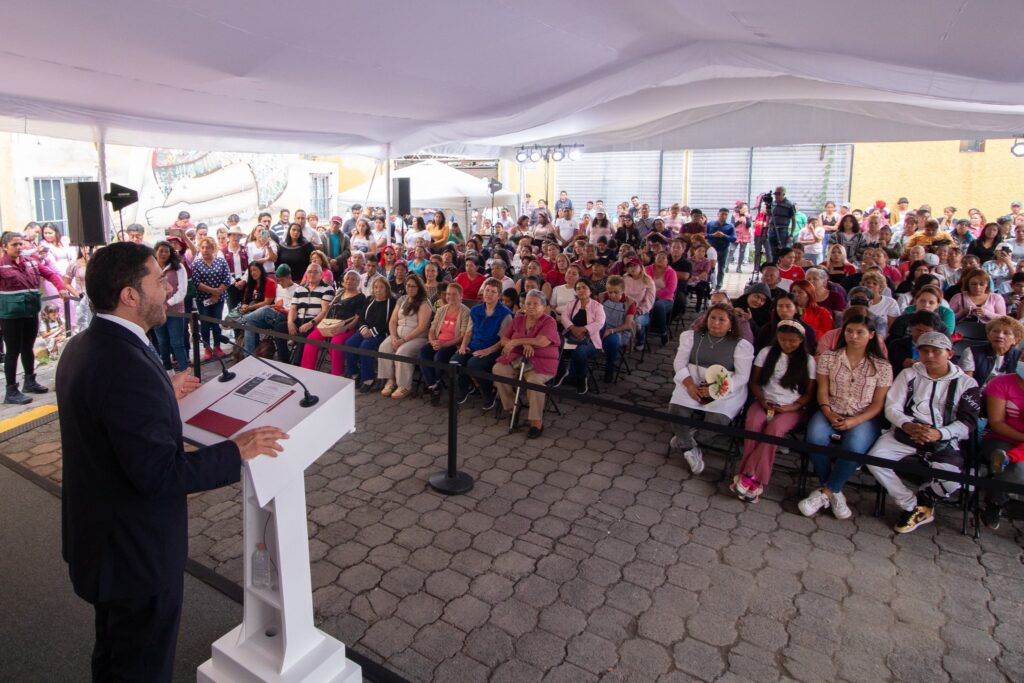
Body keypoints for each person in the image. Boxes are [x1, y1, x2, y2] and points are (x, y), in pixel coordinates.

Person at [57, 241, 286, 683]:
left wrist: (164, 388)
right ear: (129, 295)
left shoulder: (86, 344)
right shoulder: (125, 368)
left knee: (113, 654)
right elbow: (159, 473)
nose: (167, 289)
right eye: (157, 281)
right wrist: (236, 450)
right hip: (133, 554)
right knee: (141, 666)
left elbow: (109, 418)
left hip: (100, 539)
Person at [866, 332, 980, 533]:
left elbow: (967, 422)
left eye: (936, 351)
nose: (929, 356)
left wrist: (940, 433)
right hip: (904, 432)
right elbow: (892, 408)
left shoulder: (966, 384)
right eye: (924, 350)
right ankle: (911, 505)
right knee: (875, 459)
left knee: (954, 480)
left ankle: (925, 498)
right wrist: (908, 425)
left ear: (950, 354)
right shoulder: (908, 374)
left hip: (943, 439)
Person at [798, 314, 892, 520]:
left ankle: (826, 492)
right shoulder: (829, 357)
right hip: (831, 409)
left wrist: (855, 421)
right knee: (815, 438)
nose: (853, 336)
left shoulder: (882, 366)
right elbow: (822, 390)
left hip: (864, 416)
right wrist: (828, 412)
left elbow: (878, 404)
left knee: (854, 447)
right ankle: (834, 491)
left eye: (860, 332)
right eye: (849, 331)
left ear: (871, 335)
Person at [733, 320, 816, 503]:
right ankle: (752, 480)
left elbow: (808, 393)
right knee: (753, 423)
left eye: (792, 341)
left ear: (801, 340)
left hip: (791, 408)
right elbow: (754, 382)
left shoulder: (808, 361)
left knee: (775, 429)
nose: (787, 344)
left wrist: (792, 407)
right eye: (783, 339)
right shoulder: (766, 353)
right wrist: (762, 400)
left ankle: (748, 474)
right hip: (766, 402)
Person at [668, 304, 754, 474]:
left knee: (718, 419)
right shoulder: (691, 337)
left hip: (725, 387)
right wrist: (690, 385)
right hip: (692, 380)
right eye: (712, 318)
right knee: (676, 409)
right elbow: (679, 363)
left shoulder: (741, 345)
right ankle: (689, 448)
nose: (715, 323)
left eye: (722, 320)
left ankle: (685, 440)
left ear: (731, 324)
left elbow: (742, 377)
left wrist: (716, 390)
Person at [0, 231, 68, 404]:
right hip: (10, 316)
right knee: (12, 351)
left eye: (20, 244)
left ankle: (29, 381)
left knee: (28, 347)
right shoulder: (1, 266)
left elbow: (51, 274)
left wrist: (60, 287)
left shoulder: (31, 262)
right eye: (14, 245)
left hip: (30, 312)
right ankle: (11, 390)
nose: (18, 248)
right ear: (4, 247)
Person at [494, 290, 561, 438]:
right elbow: (504, 340)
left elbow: (541, 341)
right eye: (528, 303)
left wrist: (517, 341)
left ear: (544, 306)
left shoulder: (549, 321)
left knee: (534, 381)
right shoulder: (518, 319)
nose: (530, 306)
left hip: (540, 363)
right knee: (499, 369)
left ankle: (536, 421)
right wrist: (523, 345)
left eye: (535, 304)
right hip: (517, 358)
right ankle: (513, 409)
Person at [978, 362, 1024, 529]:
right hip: (1002, 438)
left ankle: (998, 495)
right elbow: (997, 423)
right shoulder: (1002, 383)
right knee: (1017, 468)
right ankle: (995, 501)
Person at [453, 279, 512, 408]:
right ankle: (465, 387)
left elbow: (502, 341)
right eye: (487, 290)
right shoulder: (475, 310)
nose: (489, 294)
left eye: (493, 291)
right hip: (473, 346)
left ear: (499, 295)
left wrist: (487, 351)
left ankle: (488, 393)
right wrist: (463, 346)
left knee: (474, 364)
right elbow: (468, 332)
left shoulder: (505, 314)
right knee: (456, 360)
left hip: (493, 349)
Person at [299, 270, 365, 376]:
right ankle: (306, 371)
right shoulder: (340, 292)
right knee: (312, 338)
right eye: (347, 278)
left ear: (358, 282)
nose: (349, 281)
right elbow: (328, 310)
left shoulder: (360, 297)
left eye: (353, 279)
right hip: (329, 324)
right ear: (344, 280)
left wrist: (344, 328)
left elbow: (357, 319)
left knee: (336, 343)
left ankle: (336, 374)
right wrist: (320, 323)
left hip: (347, 327)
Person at [378, 274, 432, 399]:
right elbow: (392, 321)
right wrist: (393, 337)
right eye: (408, 286)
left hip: (418, 338)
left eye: (413, 286)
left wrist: (404, 340)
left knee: (402, 352)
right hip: (398, 335)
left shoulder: (424, 303)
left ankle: (404, 386)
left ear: (419, 287)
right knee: (384, 347)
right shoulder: (402, 299)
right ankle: (390, 380)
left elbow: (422, 327)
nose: (410, 288)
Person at [420, 282, 472, 404]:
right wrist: (433, 341)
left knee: (439, 357)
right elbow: (432, 329)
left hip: (452, 344)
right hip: (438, 341)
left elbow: (462, 335)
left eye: (454, 294)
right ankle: (433, 386)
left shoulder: (466, 312)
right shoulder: (441, 310)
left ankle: (434, 383)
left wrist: (443, 345)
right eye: (448, 294)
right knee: (423, 352)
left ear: (461, 296)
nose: (450, 297)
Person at [556, 278, 605, 395]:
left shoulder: (597, 306)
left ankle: (582, 378)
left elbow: (600, 323)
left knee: (580, 352)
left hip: (590, 341)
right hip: (571, 337)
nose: (581, 290)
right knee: (555, 345)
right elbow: (564, 317)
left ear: (590, 290)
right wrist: (573, 328)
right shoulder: (572, 304)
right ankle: (561, 371)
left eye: (584, 288)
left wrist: (583, 329)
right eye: (578, 288)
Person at [344, 276, 394, 389]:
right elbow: (362, 317)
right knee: (349, 344)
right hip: (364, 330)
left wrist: (372, 332)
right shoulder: (369, 299)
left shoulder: (392, 302)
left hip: (380, 333)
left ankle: (368, 379)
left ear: (386, 288)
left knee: (365, 347)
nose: (378, 290)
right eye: (376, 287)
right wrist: (363, 328)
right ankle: (355, 374)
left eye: (381, 287)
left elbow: (389, 322)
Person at [190, 237, 235, 360]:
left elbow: (227, 279)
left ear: (213, 248)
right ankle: (207, 348)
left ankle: (217, 346)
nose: (205, 250)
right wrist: (213, 291)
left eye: (208, 247)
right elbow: (196, 282)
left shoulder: (221, 261)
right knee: (204, 324)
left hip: (219, 299)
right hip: (203, 299)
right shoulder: (196, 263)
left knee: (216, 322)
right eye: (203, 247)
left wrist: (217, 294)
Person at [152, 241, 189, 372]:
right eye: (161, 250)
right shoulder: (151, 268)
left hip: (175, 311)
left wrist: (168, 303)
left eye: (166, 251)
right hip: (157, 311)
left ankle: (186, 371)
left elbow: (182, 290)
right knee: (163, 343)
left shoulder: (178, 266)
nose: (163, 254)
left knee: (177, 343)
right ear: (155, 251)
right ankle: (168, 372)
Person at [957, 316, 1024, 387]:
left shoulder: (1020, 357)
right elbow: (967, 384)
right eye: (995, 331)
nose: (1000, 335)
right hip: (978, 394)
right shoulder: (971, 352)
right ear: (988, 335)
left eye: (1006, 333)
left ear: (1016, 340)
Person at [600, 276, 636, 383]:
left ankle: (610, 368)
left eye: (616, 292)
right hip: (602, 327)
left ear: (623, 291)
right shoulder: (602, 297)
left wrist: (610, 331)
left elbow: (628, 325)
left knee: (612, 341)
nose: (612, 295)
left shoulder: (629, 303)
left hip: (619, 331)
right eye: (610, 292)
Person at [646, 252, 678, 345]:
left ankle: (663, 331)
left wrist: (654, 294)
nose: (660, 259)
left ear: (667, 261)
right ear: (654, 259)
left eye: (663, 258)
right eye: (658, 257)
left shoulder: (671, 272)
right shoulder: (647, 269)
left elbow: (670, 290)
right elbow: (644, 284)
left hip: (666, 299)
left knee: (658, 306)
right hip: (648, 297)